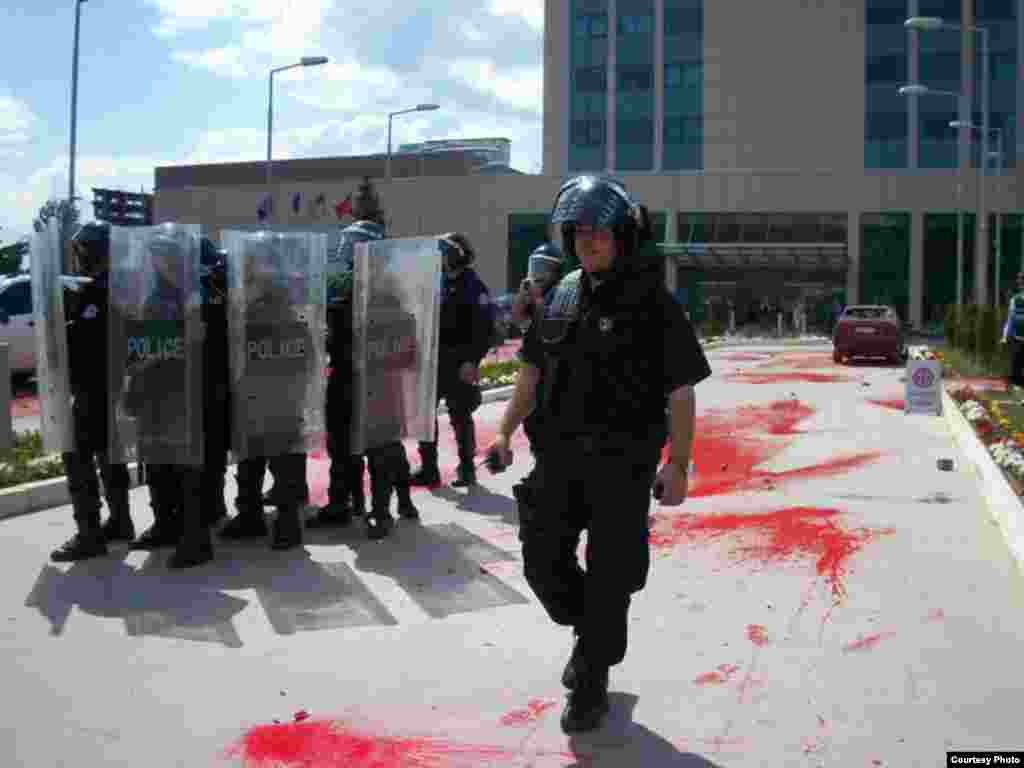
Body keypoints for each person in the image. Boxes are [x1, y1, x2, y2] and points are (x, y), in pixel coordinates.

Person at [485, 174, 711, 733]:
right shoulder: (560, 294)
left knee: (613, 574)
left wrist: (678, 463)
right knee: (542, 561)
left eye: (600, 232)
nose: (589, 241)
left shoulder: (652, 301)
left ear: (623, 236)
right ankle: (593, 631)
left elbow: (680, 388)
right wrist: (504, 430)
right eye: (579, 232)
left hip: (622, 463)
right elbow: (532, 371)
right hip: (558, 460)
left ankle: (591, 679)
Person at [219, 232, 315, 550]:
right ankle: (275, 520)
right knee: (269, 456)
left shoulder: (259, 308)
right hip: (277, 393)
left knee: (265, 457)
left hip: (267, 393)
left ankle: (263, 518)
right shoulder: (281, 303)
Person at [49, 222, 133, 562]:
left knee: (77, 456)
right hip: (106, 386)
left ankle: (89, 533)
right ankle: (119, 522)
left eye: (82, 251)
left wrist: (66, 330)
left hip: (95, 386)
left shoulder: (101, 292)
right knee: (108, 453)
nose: (79, 258)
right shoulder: (109, 288)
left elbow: (88, 342)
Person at [411, 232, 493, 488]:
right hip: (435, 359)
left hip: (460, 361)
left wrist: (472, 360)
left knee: (460, 416)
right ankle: (428, 468)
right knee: (425, 416)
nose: (441, 259)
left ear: (456, 255)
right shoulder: (440, 282)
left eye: (444, 254)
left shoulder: (473, 286)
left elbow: (484, 328)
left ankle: (467, 468)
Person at [1002, 272, 1024, 398]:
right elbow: (1010, 320)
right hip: (1017, 338)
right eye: (1021, 283)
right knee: (1016, 371)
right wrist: (1005, 336)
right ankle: (1021, 396)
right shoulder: (1015, 300)